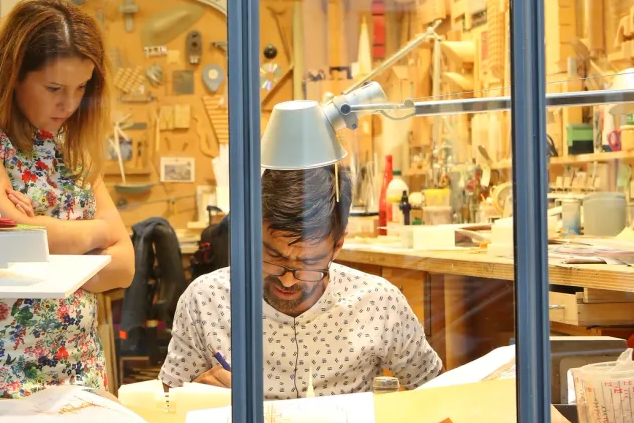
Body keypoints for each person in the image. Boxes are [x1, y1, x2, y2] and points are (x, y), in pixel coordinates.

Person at [0, 0, 135, 397]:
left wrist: (39, 235)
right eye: (54, 88)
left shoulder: (71, 147)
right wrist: (95, 234)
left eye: (81, 88)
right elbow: (11, 234)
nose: (69, 104)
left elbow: (124, 266)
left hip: (80, 368)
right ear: (13, 75)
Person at [160, 165, 442, 399]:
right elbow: (165, 408)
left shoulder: (378, 303)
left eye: (308, 264)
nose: (287, 278)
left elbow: (436, 395)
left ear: (338, 244)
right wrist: (191, 398)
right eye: (272, 256)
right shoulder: (207, 299)